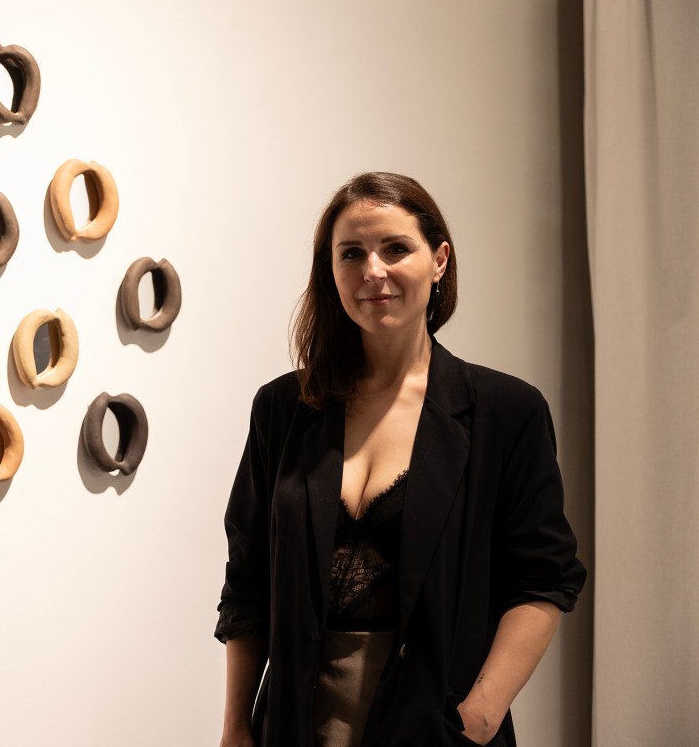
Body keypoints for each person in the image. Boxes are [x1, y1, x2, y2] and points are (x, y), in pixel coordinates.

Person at [215, 172, 586, 747]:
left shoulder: (505, 412)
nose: (373, 272)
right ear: (330, 270)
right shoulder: (282, 408)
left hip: (438, 728)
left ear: (439, 261)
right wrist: (237, 728)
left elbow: (543, 580)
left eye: (395, 248)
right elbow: (248, 583)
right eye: (352, 253)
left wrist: (481, 714)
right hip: (296, 724)